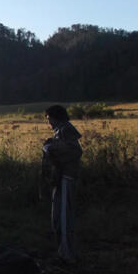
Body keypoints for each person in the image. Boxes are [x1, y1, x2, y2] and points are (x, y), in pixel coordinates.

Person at [42, 105, 83, 264]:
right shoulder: (63, 130)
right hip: (61, 178)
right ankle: (63, 251)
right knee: (58, 217)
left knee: (65, 218)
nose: (49, 123)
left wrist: (51, 147)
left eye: (49, 119)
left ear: (55, 117)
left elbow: (75, 151)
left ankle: (67, 254)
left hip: (67, 178)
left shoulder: (66, 130)